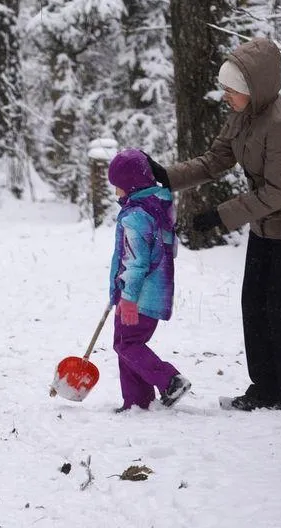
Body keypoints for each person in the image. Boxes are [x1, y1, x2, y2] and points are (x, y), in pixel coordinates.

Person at [146, 37, 281, 414]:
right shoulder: (242, 117)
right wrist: (166, 176)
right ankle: (264, 389)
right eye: (225, 89)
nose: (226, 96)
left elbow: (279, 192)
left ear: (252, 89)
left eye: (231, 90)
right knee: (253, 303)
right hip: (264, 221)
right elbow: (215, 160)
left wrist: (220, 216)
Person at [106, 149, 191, 412]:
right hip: (155, 292)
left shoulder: (136, 216)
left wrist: (128, 297)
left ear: (130, 185)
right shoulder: (159, 208)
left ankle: (170, 380)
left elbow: (136, 262)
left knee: (127, 344)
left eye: (118, 187)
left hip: (138, 295)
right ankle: (137, 402)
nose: (116, 193)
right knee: (127, 344)